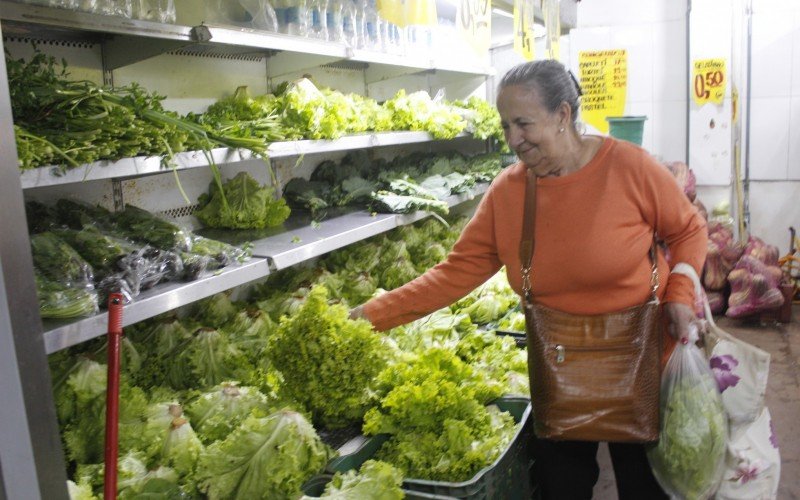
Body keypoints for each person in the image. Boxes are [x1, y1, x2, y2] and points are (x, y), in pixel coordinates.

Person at [350, 59, 708, 499]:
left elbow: (688, 229)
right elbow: (453, 274)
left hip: (642, 360)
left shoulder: (630, 168)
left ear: (562, 115)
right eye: (505, 126)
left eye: (523, 123)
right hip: (559, 370)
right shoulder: (508, 192)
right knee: (561, 488)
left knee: (644, 488)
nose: (513, 140)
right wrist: (368, 316)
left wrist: (681, 291)